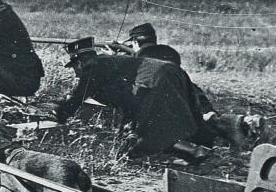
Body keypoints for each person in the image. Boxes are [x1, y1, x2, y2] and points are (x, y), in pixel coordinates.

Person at [52, 37, 254, 163]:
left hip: (156, 82)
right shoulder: (107, 63)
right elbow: (128, 100)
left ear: (81, 61)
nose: (76, 72)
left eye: (75, 66)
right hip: (171, 71)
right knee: (189, 116)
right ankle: (233, 124)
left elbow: (78, 97)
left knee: (148, 136)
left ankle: (195, 151)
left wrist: (58, 114)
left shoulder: (92, 68)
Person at [125, 23, 264, 144]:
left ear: (135, 42)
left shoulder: (140, 59)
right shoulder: (168, 54)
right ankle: (244, 122)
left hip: (165, 96)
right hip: (189, 88)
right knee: (207, 117)